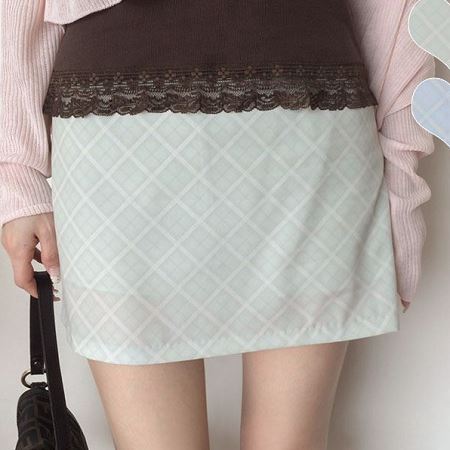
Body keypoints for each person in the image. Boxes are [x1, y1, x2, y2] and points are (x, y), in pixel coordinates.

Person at [0, 1, 434, 449]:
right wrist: (18, 176)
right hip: (115, 141)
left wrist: (402, 197)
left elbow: (401, 12)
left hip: (311, 132)